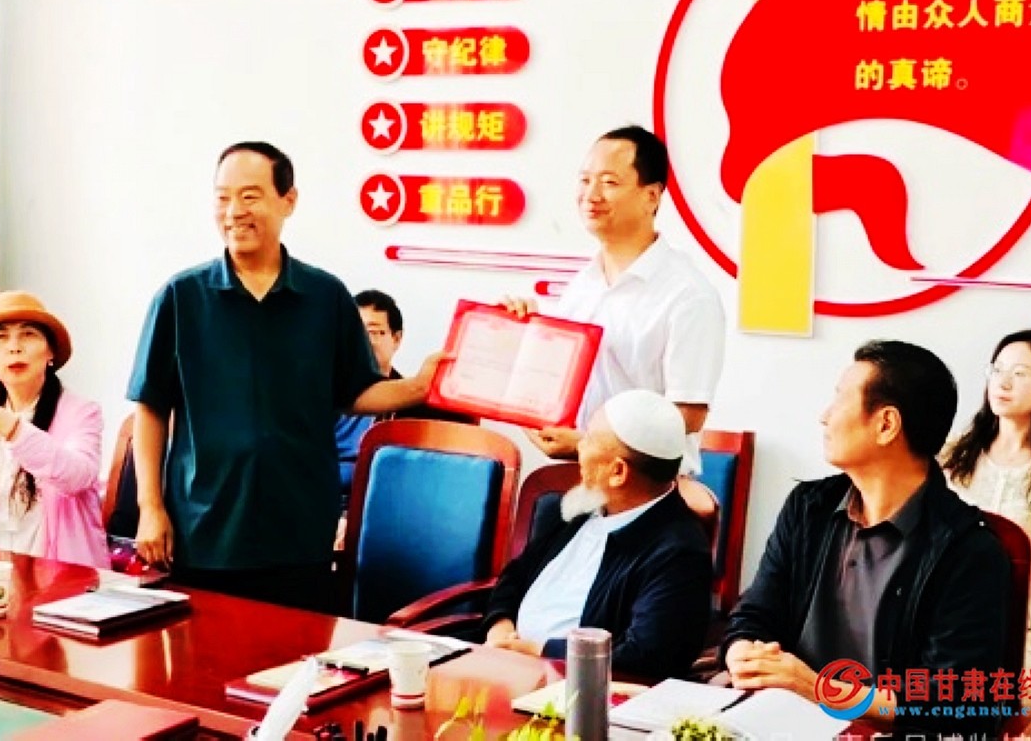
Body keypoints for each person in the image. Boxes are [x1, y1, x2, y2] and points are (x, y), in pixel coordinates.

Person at [127, 141, 442, 610]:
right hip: (205, 530)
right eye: (222, 197)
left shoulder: (325, 297)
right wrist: (150, 508)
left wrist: (420, 385)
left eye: (250, 196)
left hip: (299, 532)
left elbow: (356, 392)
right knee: (206, 655)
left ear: (287, 200)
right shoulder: (180, 297)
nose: (234, 211)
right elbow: (150, 408)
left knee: (299, 655)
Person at [722, 340, 1011, 735]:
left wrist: (818, 689)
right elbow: (755, 615)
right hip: (780, 723)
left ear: (886, 424)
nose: (825, 416)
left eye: (840, 399)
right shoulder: (808, 508)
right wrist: (744, 654)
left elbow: (952, 699)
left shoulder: (967, 551)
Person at [502, 126, 724, 475]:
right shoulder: (583, 284)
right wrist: (524, 334)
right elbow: (557, 387)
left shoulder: (688, 295)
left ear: (651, 196)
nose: (591, 195)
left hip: (649, 488)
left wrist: (593, 442)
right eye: (585, 180)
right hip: (579, 478)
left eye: (609, 182)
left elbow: (688, 415)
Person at [483, 389, 713, 681]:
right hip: (504, 665)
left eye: (589, 439)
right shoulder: (581, 507)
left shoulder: (680, 552)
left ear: (617, 472)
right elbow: (515, 577)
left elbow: (645, 655)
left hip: (581, 689)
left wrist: (539, 650)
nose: (579, 447)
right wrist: (500, 627)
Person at [944, 329, 1031, 736]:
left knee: (1006, 716)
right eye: (997, 370)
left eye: (1019, 373)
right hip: (953, 617)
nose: (1003, 382)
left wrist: (1017, 557)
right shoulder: (955, 455)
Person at [0, 292, 109, 569]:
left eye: (28, 334)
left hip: (63, 578)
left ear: (50, 352)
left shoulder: (81, 411)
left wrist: (10, 427)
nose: (14, 348)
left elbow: (79, 476)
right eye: (1, 337)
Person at [334, 289, 473, 502]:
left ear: (396, 339)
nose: (362, 342)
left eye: (373, 332)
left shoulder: (419, 404)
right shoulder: (319, 393)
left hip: (378, 508)